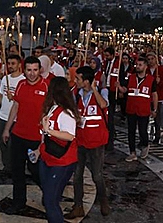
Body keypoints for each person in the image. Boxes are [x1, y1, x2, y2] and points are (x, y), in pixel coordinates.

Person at [2, 56, 49, 215]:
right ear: (24, 69)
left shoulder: (46, 86)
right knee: (17, 171)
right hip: (18, 135)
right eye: (29, 70)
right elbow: (15, 106)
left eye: (35, 70)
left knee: (36, 171)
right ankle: (18, 202)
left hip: (36, 138)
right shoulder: (21, 84)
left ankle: (49, 193)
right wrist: (7, 129)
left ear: (40, 69)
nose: (32, 73)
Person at [64, 66, 110, 219]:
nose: (75, 81)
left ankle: (103, 200)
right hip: (80, 139)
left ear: (86, 81)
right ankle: (78, 206)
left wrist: (94, 89)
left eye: (78, 78)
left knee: (97, 175)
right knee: (77, 175)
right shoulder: (75, 93)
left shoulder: (101, 92)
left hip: (96, 141)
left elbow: (103, 105)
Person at [33, 77, 80, 223]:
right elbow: (45, 134)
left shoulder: (66, 113)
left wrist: (49, 130)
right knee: (50, 196)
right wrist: (39, 150)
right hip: (48, 157)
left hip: (62, 161)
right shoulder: (52, 108)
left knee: (50, 201)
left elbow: (70, 135)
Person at [0, 54, 24, 173]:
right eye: (9, 64)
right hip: (3, 115)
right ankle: (6, 165)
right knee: (2, 143)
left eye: (13, 64)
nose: (10, 66)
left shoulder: (23, 80)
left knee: (12, 145)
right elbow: (0, 95)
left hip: (15, 118)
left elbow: (23, 101)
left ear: (19, 65)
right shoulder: (5, 79)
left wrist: (14, 97)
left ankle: (13, 166)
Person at [125, 56, 158, 161]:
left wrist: (155, 109)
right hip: (131, 108)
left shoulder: (151, 80)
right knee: (131, 131)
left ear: (145, 66)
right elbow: (126, 89)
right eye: (137, 65)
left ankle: (145, 144)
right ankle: (132, 152)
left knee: (142, 131)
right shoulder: (131, 77)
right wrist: (120, 88)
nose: (138, 67)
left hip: (143, 110)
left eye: (140, 65)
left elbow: (154, 95)